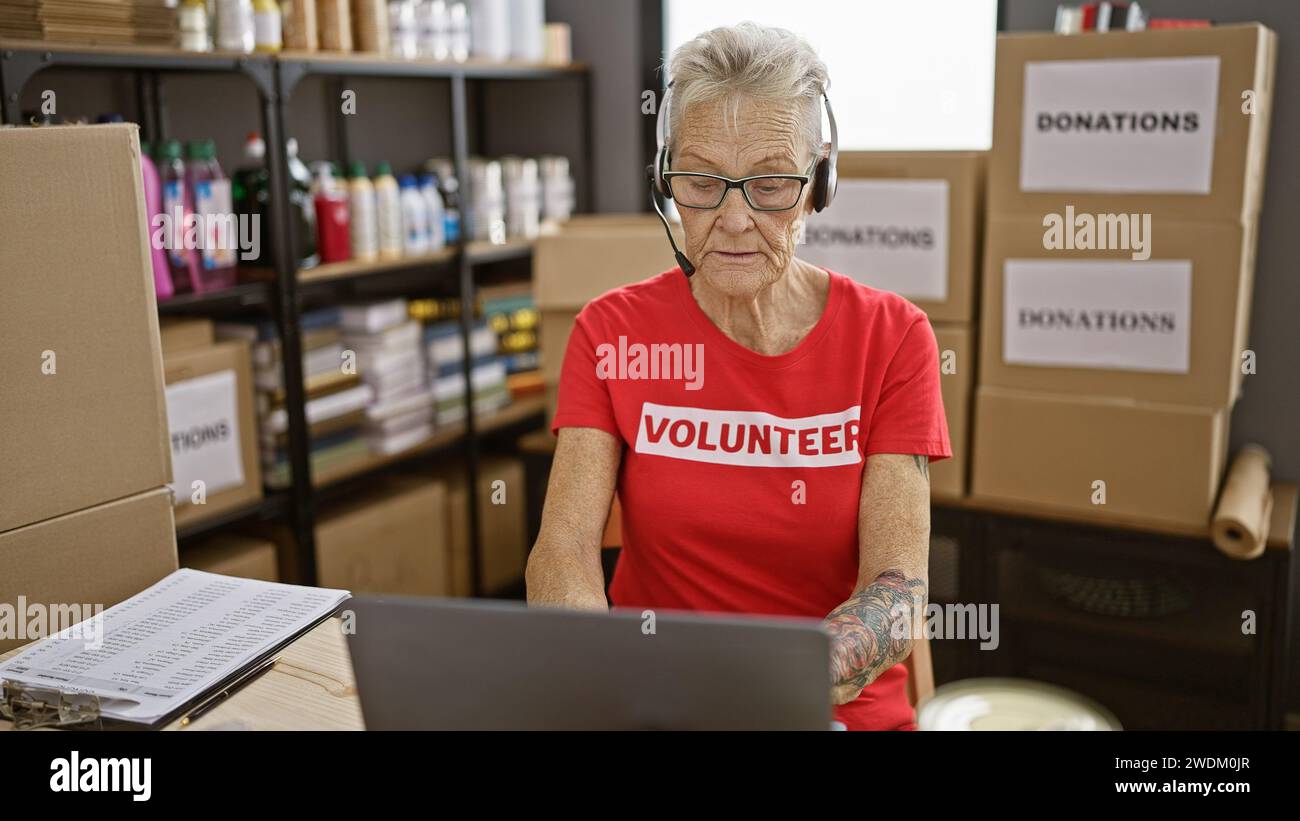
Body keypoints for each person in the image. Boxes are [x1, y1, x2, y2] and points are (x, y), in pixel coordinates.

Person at [526, 21, 951, 730]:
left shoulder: (893, 339)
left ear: (818, 184)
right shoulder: (612, 334)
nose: (733, 218)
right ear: (667, 182)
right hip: (653, 700)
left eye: (771, 183)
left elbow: (895, 590)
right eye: (701, 181)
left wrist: (772, 685)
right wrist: (603, 673)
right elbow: (562, 554)